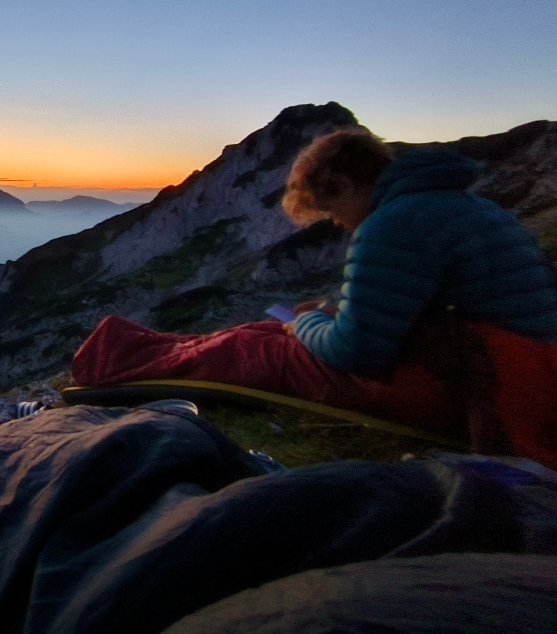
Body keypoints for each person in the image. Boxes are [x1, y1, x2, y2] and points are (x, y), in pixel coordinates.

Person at [72, 128, 557, 465]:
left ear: (347, 184)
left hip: (480, 390)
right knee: (269, 329)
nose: (337, 222)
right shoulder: (460, 204)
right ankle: (130, 350)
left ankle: (116, 360)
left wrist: (304, 326)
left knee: (259, 347)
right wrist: (322, 318)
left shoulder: (393, 223)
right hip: (511, 374)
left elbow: (357, 353)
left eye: (331, 207)